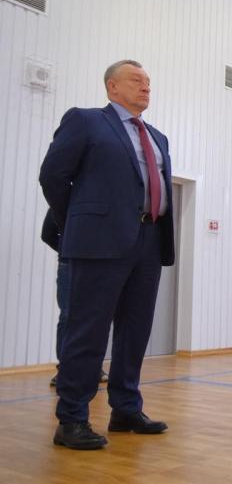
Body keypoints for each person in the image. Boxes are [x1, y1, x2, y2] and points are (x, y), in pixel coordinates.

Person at [39, 59, 175, 450]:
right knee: (88, 330)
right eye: (136, 80)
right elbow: (53, 175)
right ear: (112, 86)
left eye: (148, 82)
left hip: (149, 241)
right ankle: (72, 417)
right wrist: (80, 220)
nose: (146, 87)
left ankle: (126, 408)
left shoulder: (158, 137)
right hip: (98, 242)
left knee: (135, 330)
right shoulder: (86, 121)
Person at [40, 210, 108, 388]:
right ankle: (64, 369)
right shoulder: (65, 202)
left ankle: (94, 368)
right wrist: (69, 249)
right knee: (68, 317)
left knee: (95, 317)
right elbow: (47, 234)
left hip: (99, 265)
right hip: (69, 264)